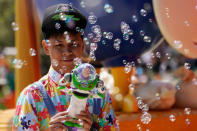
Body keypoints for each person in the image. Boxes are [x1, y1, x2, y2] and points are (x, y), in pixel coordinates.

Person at [12, 3, 118, 131]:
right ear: (46, 47)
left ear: (83, 46)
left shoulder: (99, 94)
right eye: (58, 45)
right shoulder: (32, 97)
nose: (67, 52)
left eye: (74, 44)